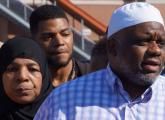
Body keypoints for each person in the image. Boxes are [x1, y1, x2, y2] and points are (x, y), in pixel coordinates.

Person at [34, 2, 165, 120]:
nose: (155, 50)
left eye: (161, 43)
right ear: (113, 47)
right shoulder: (64, 100)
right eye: (143, 42)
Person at [29, 5, 89, 87]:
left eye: (65, 34)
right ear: (33, 41)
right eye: (48, 37)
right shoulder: (28, 83)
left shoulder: (93, 75)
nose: (60, 42)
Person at [0, 37, 53, 120]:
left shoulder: (63, 111)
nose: (22, 77)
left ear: (43, 75)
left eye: (32, 69)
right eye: (13, 69)